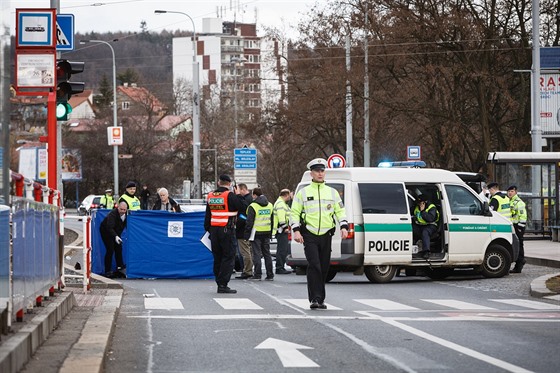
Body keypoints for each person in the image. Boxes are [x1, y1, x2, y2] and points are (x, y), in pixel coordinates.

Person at [291, 158, 348, 310]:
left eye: (322, 171)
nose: (320, 173)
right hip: (309, 234)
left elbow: (340, 211)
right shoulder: (303, 192)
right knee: (314, 265)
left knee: (323, 267)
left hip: (326, 234)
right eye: (317, 171)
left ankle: (320, 299)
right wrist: (296, 231)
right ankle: (315, 299)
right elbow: (294, 212)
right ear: (311, 173)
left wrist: (344, 226)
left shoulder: (332, 192)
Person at [204, 174, 248, 294]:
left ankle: (219, 281)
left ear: (219, 183)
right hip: (226, 230)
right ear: (229, 184)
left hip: (214, 231)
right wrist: (238, 194)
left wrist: (209, 230)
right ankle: (223, 284)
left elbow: (208, 215)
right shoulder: (230, 195)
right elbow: (244, 207)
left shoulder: (211, 195)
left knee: (217, 257)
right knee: (228, 257)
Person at [244, 187, 274, 281]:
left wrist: (246, 235)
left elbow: (249, 222)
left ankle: (257, 274)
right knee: (267, 254)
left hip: (256, 233)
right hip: (267, 232)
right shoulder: (270, 205)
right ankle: (270, 274)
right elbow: (272, 220)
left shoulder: (253, 206)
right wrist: (271, 232)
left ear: (254, 195)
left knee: (256, 254)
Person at [100, 201, 128, 276]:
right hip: (106, 231)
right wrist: (115, 236)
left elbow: (126, 226)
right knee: (110, 249)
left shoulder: (127, 215)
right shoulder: (112, 214)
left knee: (119, 247)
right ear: (118, 208)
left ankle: (120, 266)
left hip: (116, 230)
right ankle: (107, 271)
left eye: (124, 210)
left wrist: (117, 236)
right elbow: (109, 227)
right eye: (121, 209)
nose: (122, 211)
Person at [412, 194, 440, 259]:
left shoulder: (431, 207)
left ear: (424, 202)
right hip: (420, 225)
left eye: (420, 202)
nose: (418, 204)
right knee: (411, 229)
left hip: (431, 225)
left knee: (425, 232)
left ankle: (426, 251)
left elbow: (430, 219)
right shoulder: (416, 207)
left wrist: (423, 211)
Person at [235, 183, 254, 279]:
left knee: (245, 252)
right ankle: (247, 270)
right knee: (247, 251)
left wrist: (237, 223)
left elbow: (244, 215)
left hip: (243, 230)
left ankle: (247, 271)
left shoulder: (246, 200)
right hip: (247, 230)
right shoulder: (250, 199)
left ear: (242, 190)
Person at [508, 185, 527, 273]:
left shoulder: (519, 202)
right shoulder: (509, 201)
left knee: (519, 245)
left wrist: (520, 227)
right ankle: (519, 263)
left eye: (512, 191)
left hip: (518, 226)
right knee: (516, 245)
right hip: (513, 225)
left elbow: (523, 216)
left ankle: (520, 262)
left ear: (516, 192)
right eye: (509, 191)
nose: (510, 193)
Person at [274, 188, 292, 274]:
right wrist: (285, 228)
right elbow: (281, 218)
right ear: (286, 195)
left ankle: (280, 266)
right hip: (281, 230)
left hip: (281, 230)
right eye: (289, 195)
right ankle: (279, 268)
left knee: (283, 249)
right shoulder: (281, 204)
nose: (290, 197)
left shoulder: (282, 203)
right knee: (282, 249)